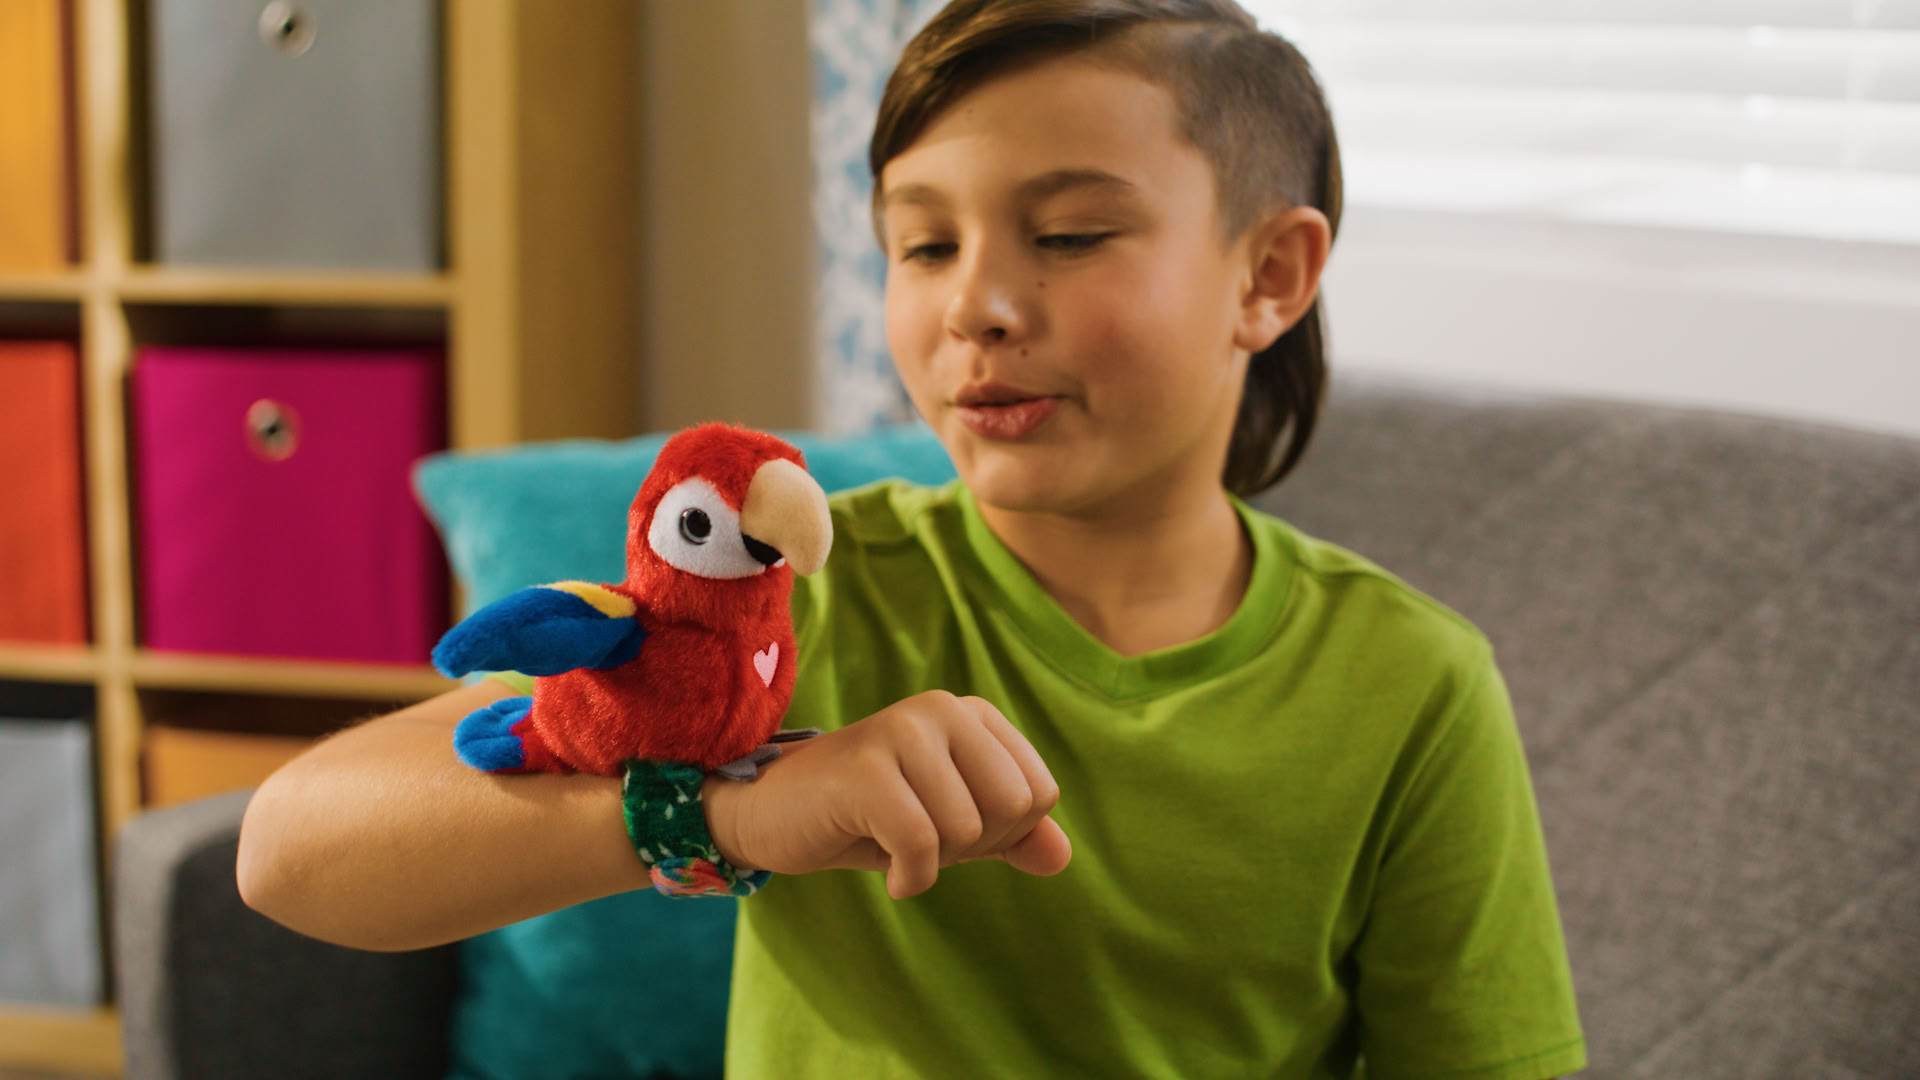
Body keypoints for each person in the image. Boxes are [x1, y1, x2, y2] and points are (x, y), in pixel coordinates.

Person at [237, 1, 1586, 1076]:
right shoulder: (786, 599)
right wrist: (732, 813)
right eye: (924, 246)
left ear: (1270, 275)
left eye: (1070, 234)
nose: (975, 304)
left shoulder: (1412, 685)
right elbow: (292, 851)